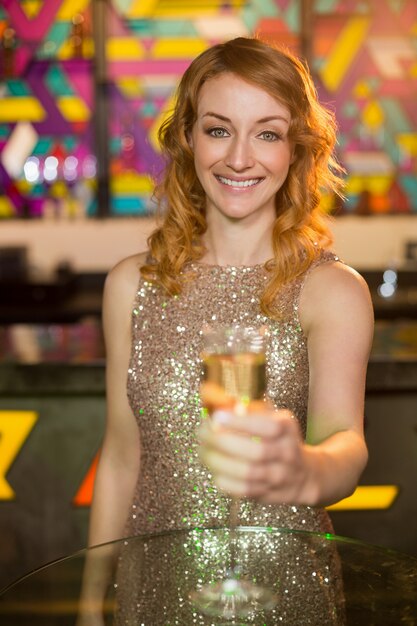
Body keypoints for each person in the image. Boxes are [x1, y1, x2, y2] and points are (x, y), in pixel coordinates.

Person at [78, 36, 373, 624]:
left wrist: (305, 470)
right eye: (218, 130)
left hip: (284, 589)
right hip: (154, 587)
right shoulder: (130, 285)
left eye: (267, 133)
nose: (240, 158)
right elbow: (119, 456)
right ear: (187, 138)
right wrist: (89, 603)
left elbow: (348, 443)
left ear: (296, 149)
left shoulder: (332, 290)